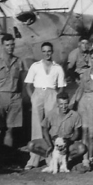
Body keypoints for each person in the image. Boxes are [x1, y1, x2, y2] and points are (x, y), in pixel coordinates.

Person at [24, 42, 66, 170]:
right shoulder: (35, 66)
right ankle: (33, 159)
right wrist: (32, 98)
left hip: (51, 94)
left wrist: (55, 96)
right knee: (36, 127)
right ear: (41, 52)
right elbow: (28, 85)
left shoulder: (57, 67)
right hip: (38, 94)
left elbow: (62, 87)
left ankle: (50, 159)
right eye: (44, 51)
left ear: (52, 52)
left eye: (49, 51)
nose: (47, 53)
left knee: (49, 126)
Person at [26, 92, 87, 168]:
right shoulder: (51, 114)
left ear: (68, 103)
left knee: (81, 148)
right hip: (53, 142)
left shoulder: (74, 115)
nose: (64, 107)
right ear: (57, 104)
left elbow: (77, 132)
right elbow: (45, 129)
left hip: (67, 142)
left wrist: (68, 141)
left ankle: (66, 159)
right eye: (61, 104)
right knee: (31, 145)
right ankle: (49, 157)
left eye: (66, 104)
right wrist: (50, 145)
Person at [0, 33, 24, 147]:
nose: (10, 47)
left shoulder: (18, 61)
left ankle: (7, 158)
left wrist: (19, 97)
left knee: (10, 130)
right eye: (7, 45)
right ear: (2, 46)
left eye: (12, 45)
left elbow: (20, 81)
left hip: (15, 97)